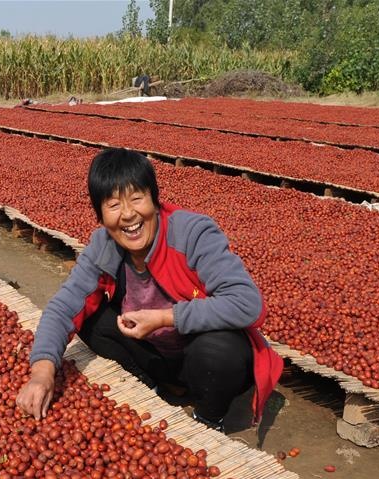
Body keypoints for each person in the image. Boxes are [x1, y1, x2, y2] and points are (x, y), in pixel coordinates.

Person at [16, 148, 283, 432]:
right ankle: (154, 388)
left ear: (154, 200)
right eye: (114, 205)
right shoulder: (103, 245)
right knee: (89, 319)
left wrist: (167, 317)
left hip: (200, 354)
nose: (129, 214)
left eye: (136, 198)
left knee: (220, 350)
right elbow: (63, 307)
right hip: (152, 352)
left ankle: (208, 417)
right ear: (100, 216)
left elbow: (247, 304)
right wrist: (42, 371)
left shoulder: (193, 233)